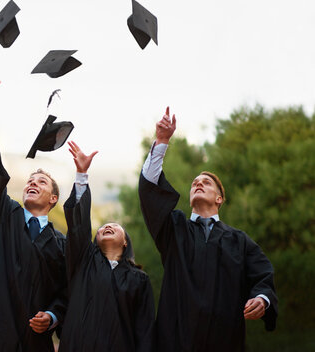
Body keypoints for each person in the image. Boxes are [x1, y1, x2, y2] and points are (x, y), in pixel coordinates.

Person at [138, 107, 278, 351]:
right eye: (195, 183)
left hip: (224, 339)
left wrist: (262, 299)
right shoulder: (174, 229)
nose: (197, 182)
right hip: (175, 339)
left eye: (206, 182)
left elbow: (263, 276)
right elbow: (150, 191)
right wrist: (161, 141)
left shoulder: (239, 241)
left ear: (219, 198)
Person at [0, 71, 67, 351]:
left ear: (54, 198)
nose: (33, 182)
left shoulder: (62, 245)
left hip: (34, 342)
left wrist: (53, 316)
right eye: (31, 179)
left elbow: (66, 292)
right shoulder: (3, 216)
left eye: (42, 181)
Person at [59, 141, 155, 352]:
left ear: (125, 241)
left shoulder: (139, 280)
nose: (108, 226)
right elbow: (78, 228)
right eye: (102, 227)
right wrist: (82, 175)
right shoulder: (83, 264)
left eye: (115, 226)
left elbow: (144, 330)